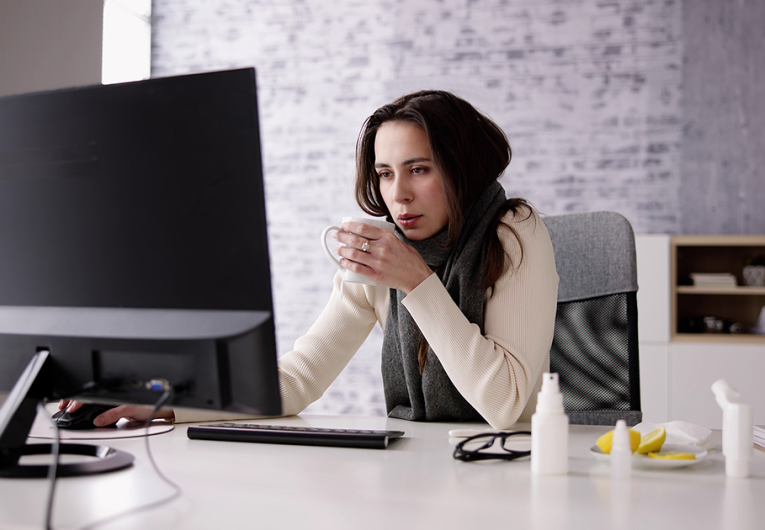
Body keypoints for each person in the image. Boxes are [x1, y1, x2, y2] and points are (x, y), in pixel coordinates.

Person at [60, 90, 559, 430]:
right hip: (424, 472)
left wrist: (417, 282)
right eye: (384, 174)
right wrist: (166, 400)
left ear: (462, 167)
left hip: (511, 471)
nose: (398, 195)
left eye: (419, 169)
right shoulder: (384, 255)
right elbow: (297, 379)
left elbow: (505, 405)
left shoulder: (514, 232)